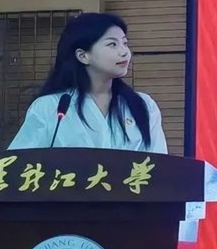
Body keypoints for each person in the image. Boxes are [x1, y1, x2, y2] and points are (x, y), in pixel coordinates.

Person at [9, 13, 168, 153]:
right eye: (112, 44)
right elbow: (19, 164)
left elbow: (159, 165)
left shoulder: (144, 105)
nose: (124, 52)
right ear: (83, 56)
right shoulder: (49, 107)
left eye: (125, 43)